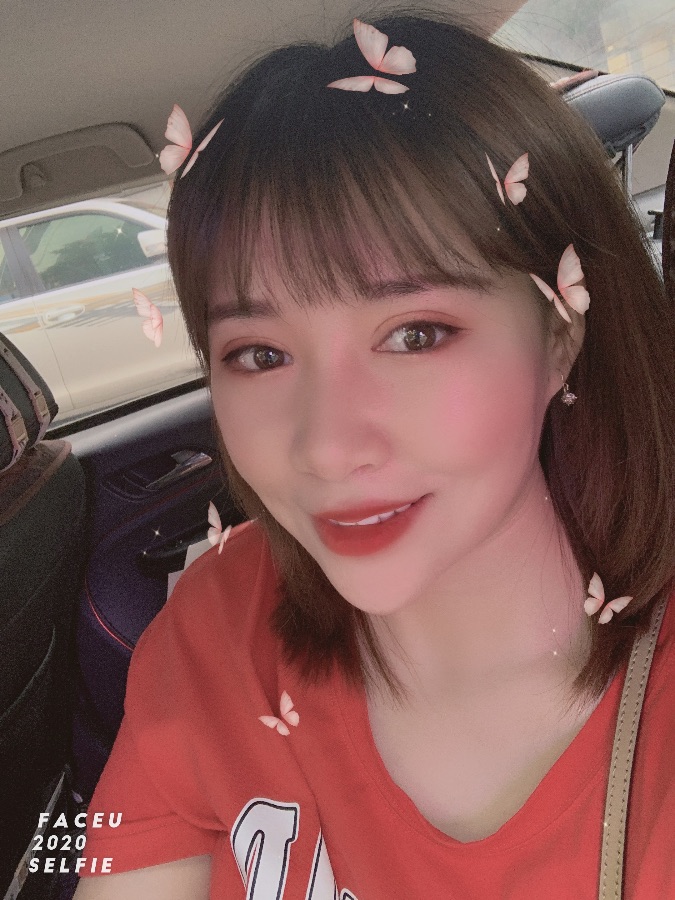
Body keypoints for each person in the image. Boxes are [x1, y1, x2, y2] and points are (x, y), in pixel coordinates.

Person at [73, 9, 675, 898]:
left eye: (416, 334)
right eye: (259, 354)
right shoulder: (219, 625)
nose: (325, 447)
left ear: (559, 333)